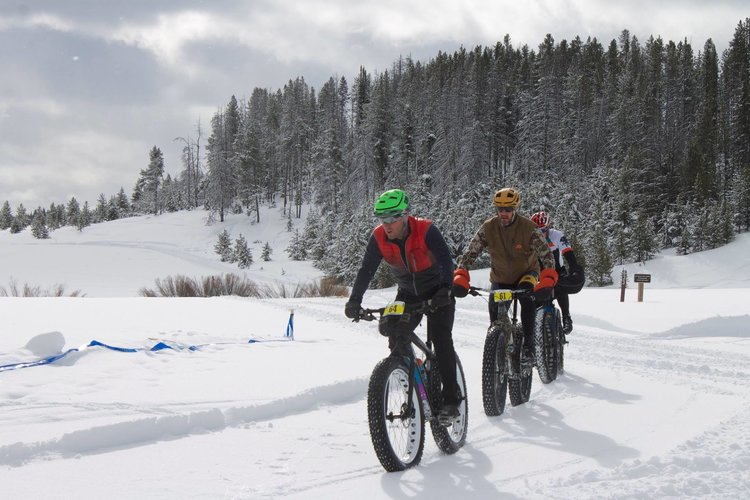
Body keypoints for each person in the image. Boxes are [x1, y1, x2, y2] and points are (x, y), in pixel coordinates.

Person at [344, 188, 461, 425]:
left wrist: (446, 289)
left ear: (405, 215)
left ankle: (451, 399)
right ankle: (411, 378)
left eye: (392, 218)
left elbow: (446, 261)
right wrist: (354, 300)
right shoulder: (378, 237)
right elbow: (366, 270)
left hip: (438, 291)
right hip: (408, 293)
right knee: (394, 332)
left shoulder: (426, 229)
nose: (386, 224)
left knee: (441, 338)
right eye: (382, 218)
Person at [452, 188, 558, 358]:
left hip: (527, 273)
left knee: (526, 298)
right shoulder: (489, 227)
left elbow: (546, 255)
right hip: (500, 277)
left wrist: (548, 278)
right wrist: (461, 275)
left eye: (508, 209)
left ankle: (529, 344)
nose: (503, 213)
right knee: (495, 315)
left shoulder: (528, 228)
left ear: (515, 209)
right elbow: (470, 253)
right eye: (500, 209)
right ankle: (499, 346)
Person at [530, 211, 584, 334]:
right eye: (537, 230)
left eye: (543, 230)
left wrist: (574, 269)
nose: (540, 234)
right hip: (539, 272)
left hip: (557, 270)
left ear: (548, 227)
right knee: (532, 299)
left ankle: (566, 317)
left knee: (561, 288)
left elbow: (568, 253)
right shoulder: (530, 238)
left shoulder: (557, 235)